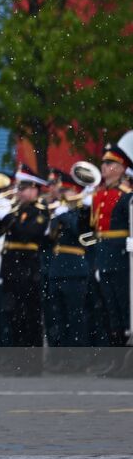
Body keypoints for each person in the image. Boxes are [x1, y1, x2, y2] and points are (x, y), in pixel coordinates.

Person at [0, 171, 49, 355]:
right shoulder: (15, 209)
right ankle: (18, 359)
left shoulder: (40, 211)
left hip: (27, 269)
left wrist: (8, 216)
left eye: (23, 189)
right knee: (14, 316)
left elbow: (28, 235)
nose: (19, 192)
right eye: (19, 188)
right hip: (10, 269)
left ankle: (32, 361)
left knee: (30, 316)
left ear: (35, 190)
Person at [88, 143, 132, 347]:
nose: (104, 167)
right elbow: (93, 229)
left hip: (122, 257)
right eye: (103, 163)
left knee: (125, 308)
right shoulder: (98, 195)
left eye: (109, 163)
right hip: (104, 256)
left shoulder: (127, 196)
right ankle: (115, 353)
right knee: (109, 309)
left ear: (122, 167)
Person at [43, 169, 88, 360]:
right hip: (57, 270)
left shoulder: (80, 211)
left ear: (75, 191)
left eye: (65, 192)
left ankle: (77, 358)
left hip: (75, 269)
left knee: (75, 318)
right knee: (58, 318)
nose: (61, 196)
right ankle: (63, 358)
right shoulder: (59, 212)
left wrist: (66, 214)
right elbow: (48, 240)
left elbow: (80, 230)